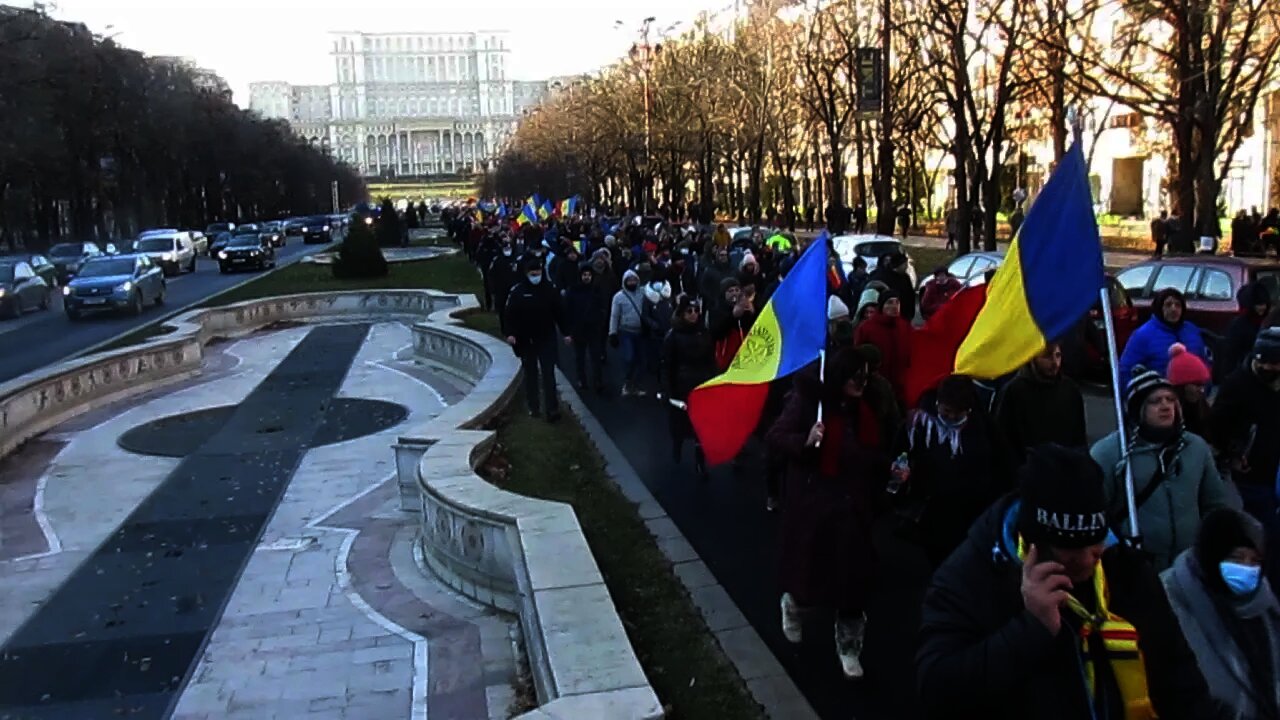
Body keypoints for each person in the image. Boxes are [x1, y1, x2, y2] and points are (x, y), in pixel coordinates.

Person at [918, 444, 1231, 720]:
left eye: (1095, 548)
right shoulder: (971, 576)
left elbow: (1177, 674)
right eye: (1068, 553)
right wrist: (1030, 629)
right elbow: (938, 690)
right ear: (1032, 543)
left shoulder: (1125, 567)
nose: (1084, 561)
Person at [767, 347, 899, 679]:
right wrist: (806, 439)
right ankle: (794, 606)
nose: (862, 384)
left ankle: (849, 647)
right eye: (856, 378)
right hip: (815, 507)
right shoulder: (809, 403)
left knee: (854, 584)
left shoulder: (866, 409)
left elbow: (869, 453)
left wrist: (891, 470)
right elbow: (776, 436)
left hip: (854, 509)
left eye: (865, 378)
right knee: (809, 575)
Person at [1091, 367, 1234, 571]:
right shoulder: (1110, 453)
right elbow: (1097, 513)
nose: (1166, 406)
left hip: (1189, 563)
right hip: (1136, 564)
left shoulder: (1195, 448)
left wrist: (1213, 545)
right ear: (1137, 409)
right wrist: (1117, 549)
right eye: (1155, 401)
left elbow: (1215, 503)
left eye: (1170, 399)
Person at [1163, 508, 1280, 720]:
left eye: (1254, 561)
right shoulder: (1173, 596)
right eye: (1236, 558)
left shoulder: (1265, 603)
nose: (1246, 568)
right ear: (1213, 554)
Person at [891, 375, 1013, 567]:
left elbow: (1001, 463)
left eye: (959, 414)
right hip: (932, 508)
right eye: (947, 412)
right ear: (938, 403)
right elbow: (901, 452)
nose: (952, 419)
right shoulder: (920, 421)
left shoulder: (983, 427)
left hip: (970, 511)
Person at [1211, 328, 1280, 586]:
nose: (1268, 367)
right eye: (1263, 361)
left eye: (1274, 363)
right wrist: (1233, 451)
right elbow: (1216, 425)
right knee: (1265, 532)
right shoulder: (1237, 385)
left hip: (1276, 469)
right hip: (1251, 473)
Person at [993, 342, 1087, 467]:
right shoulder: (1014, 391)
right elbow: (1003, 439)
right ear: (1033, 358)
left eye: (1058, 355)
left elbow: (1079, 437)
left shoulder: (1070, 390)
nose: (1055, 363)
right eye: (1047, 356)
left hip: (1063, 470)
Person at [502, 257, 568, 422]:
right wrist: (510, 333)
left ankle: (552, 409)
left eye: (538, 272)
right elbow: (509, 314)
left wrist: (566, 332)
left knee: (548, 374)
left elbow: (559, 312)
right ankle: (534, 407)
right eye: (533, 273)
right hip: (526, 339)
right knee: (530, 374)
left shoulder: (549, 289)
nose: (536, 276)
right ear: (526, 274)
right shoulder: (518, 291)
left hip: (546, 337)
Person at [662, 295, 716, 480]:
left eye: (696, 311)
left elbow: (711, 359)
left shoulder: (704, 333)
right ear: (682, 313)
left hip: (702, 385)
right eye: (689, 311)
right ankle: (677, 445)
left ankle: (700, 463)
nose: (693, 315)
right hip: (681, 387)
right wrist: (668, 390)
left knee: (701, 427)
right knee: (680, 424)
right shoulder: (673, 336)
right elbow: (667, 365)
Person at [1119, 287, 1209, 381]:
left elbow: (1204, 361)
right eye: (1168, 305)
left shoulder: (1191, 330)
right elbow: (1126, 370)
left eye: (1178, 305)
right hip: (1160, 391)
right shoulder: (1143, 335)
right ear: (1159, 308)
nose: (1173, 309)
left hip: (1192, 392)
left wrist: (1205, 385)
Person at [853, 291, 913, 405]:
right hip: (875, 387)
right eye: (890, 303)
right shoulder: (866, 328)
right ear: (882, 306)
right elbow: (857, 354)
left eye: (897, 302)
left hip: (901, 386)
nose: (894, 306)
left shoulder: (905, 326)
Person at [564, 264, 607, 393]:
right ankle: (582, 380)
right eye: (584, 275)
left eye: (589, 275)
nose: (587, 277)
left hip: (593, 328)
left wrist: (600, 322)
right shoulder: (573, 291)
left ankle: (598, 381)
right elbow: (568, 310)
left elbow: (602, 307)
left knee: (595, 356)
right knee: (580, 357)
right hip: (578, 329)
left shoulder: (596, 290)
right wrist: (569, 331)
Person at [1218, 281, 1271, 380]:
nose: (1262, 308)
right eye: (1258, 304)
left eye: (1264, 304)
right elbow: (1230, 354)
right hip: (1245, 373)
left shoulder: (1268, 322)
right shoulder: (1238, 325)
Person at [609, 269, 648, 397]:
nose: (632, 282)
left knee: (641, 360)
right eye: (629, 280)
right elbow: (614, 316)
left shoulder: (643, 293)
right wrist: (612, 333)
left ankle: (636, 385)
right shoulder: (619, 297)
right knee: (629, 357)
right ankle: (627, 382)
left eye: (634, 280)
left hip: (641, 331)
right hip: (626, 331)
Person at [1167, 342, 1213, 437]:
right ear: (1181, 387)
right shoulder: (1167, 417)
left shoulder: (1203, 409)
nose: (1202, 390)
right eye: (1197, 385)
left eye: (1203, 385)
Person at [708, 277, 755, 371]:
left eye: (737, 290)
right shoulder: (717, 310)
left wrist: (752, 312)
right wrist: (733, 316)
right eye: (730, 291)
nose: (734, 293)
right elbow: (716, 332)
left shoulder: (744, 307)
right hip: (726, 358)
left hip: (745, 356)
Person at [868, 252, 916, 321]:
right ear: (899, 264)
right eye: (905, 264)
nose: (907, 267)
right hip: (888, 316)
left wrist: (911, 312)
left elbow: (910, 294)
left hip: (905, 316)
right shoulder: (883, 277)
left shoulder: (905, 277)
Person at [487, 243, 521, 320]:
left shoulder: (516, 259)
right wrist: (493, 288)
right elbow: (491, 275)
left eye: (509, 249)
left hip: (514, 289)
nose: (508, 251)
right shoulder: (497, 260)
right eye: (506, 249)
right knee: (502, 310)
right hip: (501, 290)